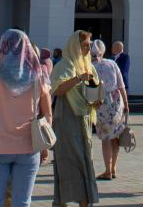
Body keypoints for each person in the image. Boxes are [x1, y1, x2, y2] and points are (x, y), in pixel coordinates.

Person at [0, 30, 52, 207]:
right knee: (22, 202)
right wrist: (45, 146)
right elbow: (48, 113)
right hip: (29, 147)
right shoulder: (38, 75)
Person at [50, 30, 99, 207]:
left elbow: (95, 90)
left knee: (85, 161)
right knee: (70, 162)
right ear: (75, 46)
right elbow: (57, 90)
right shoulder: (65, 64)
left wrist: (97, 100)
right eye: (85, 45)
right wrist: (78, 78)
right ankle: (63, 201)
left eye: (90, 45)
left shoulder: (89, 65)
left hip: (84, 119)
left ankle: (84, 203)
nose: (88, 49)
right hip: (67, 119)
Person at [89, 40, 128, 181]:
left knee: (105, 137)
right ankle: (113, 168)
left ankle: (107, 170)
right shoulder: (112, 63)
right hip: (116, 101)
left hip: (100, 103)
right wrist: (127, 104)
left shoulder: (89, 66)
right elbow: (121, 85)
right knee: (115, 135)